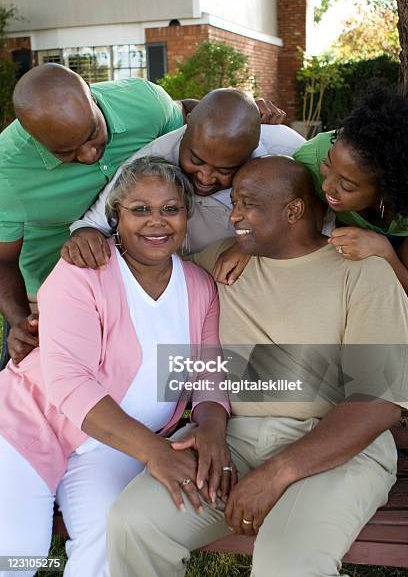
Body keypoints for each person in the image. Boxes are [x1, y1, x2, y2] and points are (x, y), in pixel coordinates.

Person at [107, 156, 408, 577]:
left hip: (339, 447)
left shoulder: (361, 273)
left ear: (293, 211)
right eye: (234, 203)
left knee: (287, 562)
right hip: (232, 438)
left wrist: (277, 473)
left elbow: (379, 404)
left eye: (247, 205)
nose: (233, 216)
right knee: (133, 524)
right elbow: (131, 281)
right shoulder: (218, 262)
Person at [0, 157, 231, 577]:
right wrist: (156, 452)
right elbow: (69, 382)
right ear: (116, 217)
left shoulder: (198, 286)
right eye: (140, 209)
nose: (156, 222)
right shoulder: (85, 270)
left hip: (115, 444)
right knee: (17, 552)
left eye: (170, 208)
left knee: (111, 545)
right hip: (30, 425)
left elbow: (209, 374)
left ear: (186, 214)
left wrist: (212, 426)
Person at [1, 71, 285, 364]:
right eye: (65, 152)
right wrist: (22, 319)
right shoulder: (5, 173)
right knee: (32, 380)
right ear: (30, 135)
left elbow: (191, 122)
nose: (88, 156)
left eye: (92, 134)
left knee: (132, 367)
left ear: (91, 94)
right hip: (45, 286)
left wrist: (244, 119)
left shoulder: (142, 101)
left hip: (125, 279)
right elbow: (2, 261)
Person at [61, 88, 307, 271]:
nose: (205, 177)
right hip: (188, 277)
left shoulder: (287, 149)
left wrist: (250, 244)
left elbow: (318, 223)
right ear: (187, 125)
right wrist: (84, 236)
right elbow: (94, 225)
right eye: (196, 160)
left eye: (225, 169)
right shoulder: (151, 158)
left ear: (252, 148)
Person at [293, 83, 408, 292]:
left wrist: (384, 251)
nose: (326, 186)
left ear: (386, 189)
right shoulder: (312, 157)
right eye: (328, 165)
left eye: (346, 185)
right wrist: (245, 248)